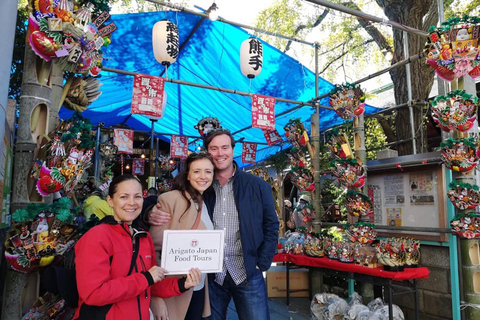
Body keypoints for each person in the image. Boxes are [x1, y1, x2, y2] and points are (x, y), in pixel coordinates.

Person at [73, 174, 202, 320]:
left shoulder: (144, 238)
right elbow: (94, 294)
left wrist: (182, 284)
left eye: (138, 197)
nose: (132, 203)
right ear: (110, 201)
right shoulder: (96, 237)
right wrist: (145, 278)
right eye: (124, 197)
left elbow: (150, 285)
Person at [202, 129, 279, 320]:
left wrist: (262, 263)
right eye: (214, 148)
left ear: (233, 150)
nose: (220, 153)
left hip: (248, 271)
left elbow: (271, 225)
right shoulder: (201, 187)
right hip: (212, 274)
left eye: (224, 147)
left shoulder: (257, 185)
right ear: (207, 152)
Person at [149, 152, 215, 320]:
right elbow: (152, 251)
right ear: (187, 175)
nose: (203, 176)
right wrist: (155, 297)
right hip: (172, 289)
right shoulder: (171, 200)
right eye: (197, 171)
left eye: (208, 171)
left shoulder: (204, 202)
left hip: (198, 286)